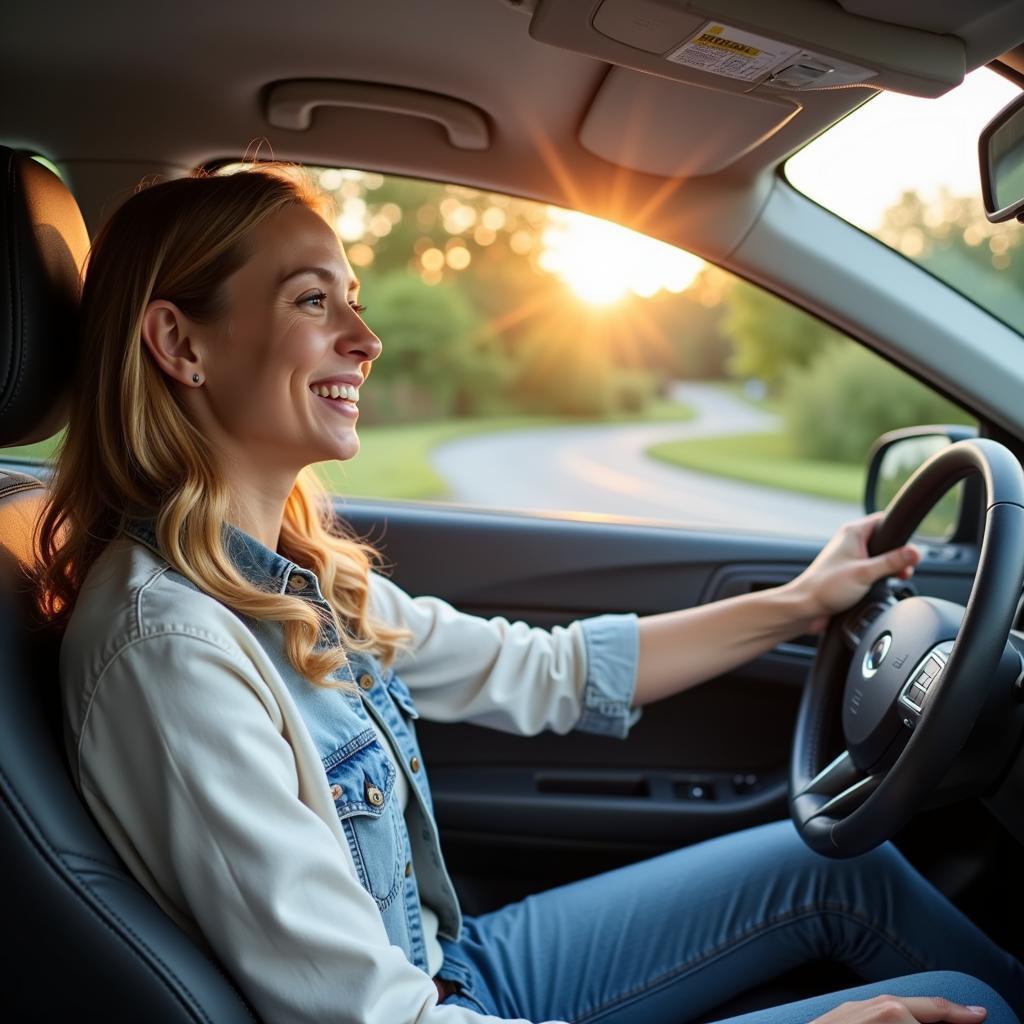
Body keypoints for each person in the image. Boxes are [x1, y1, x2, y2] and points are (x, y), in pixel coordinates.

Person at [35, 165, 1023, 1024]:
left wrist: (805, 601)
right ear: (180, 342)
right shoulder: (171, 646)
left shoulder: (283, 578)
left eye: (354, 297)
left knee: (840, 862)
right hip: (426, 1004)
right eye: (311, 302)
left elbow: (542, 670)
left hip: (451, 967)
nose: (366, 338)